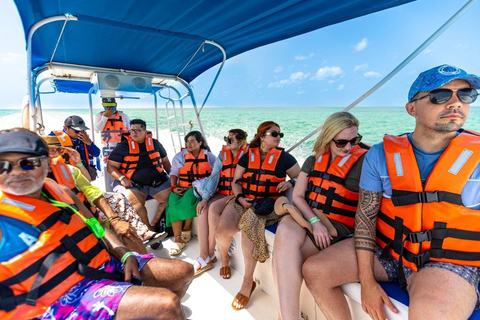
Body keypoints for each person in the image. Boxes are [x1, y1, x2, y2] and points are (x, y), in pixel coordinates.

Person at [302, 64, 480, 320]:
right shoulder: (380, 155)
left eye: (465, 95)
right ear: (412, 108)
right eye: (440, 95)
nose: (455, 103)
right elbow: (365, 220)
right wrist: (367, 281)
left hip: (448, 261)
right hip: (389, 250)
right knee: (316, 270)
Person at [0, 129, 194, 320]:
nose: (16, 172)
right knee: (165, 305)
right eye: (3, 165)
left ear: (47, 163)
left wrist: (124, 253)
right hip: (58, 302)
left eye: (28, 163)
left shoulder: (62, 193)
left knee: (183, 272)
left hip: (100, 266)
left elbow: (95, 225)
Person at [272, 112, 367, 320]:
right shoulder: (313, 160)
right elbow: (297, 196)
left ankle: (285, 317)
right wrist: (315, 222)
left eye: (354, 140)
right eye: (341, 142)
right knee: (286, 229)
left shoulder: (365, 162)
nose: (348, 147)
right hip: (311, 217)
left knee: (283, 255)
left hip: (338, 225)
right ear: (328, 138)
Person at [215, 121, 300, 310]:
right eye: (274, 134)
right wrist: (239, 198)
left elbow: (301, 177)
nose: (278, 137)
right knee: (222, 230)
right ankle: (225, 258)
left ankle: (248, 282)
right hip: (243, 199)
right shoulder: (247, 157)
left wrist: (290, 183)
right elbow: (236, 182)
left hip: (265, 205)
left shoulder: (284, 158)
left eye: (280, 134)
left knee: (248, 229)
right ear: (262, 136)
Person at [43, 135, 167, 251]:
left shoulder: (70, 169)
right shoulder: (36, 180)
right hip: (69, 213)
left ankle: (143, 234)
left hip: (85, 204)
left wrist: (79, 162)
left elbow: (88, 183)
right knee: (114, 217)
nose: (57, 154)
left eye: (59, 150)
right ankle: (131, 240)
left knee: (119, 198)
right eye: (52, 151)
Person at [193, 129, 248, 275]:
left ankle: (210, 254)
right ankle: (204, 254)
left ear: (241, 142)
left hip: (237, 194)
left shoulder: (248, 154)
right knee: (203, 208)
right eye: (226, 138)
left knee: (213, 209)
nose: (226, 142)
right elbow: (214, 176)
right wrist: (205, 198)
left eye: (230, 140)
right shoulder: (223, 154)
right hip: (223, 193)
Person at [107, 119, 171, 231]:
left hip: (156, 182)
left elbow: (165, 162)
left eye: (138, 130)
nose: (134, 133)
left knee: (174, 196)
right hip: (133, 184)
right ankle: (149, 233)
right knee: (135, 204)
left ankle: (155, 223)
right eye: (132, 130)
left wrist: (175, 179)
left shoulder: (155, 143)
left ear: (145, 131)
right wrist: (122, 178)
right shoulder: (123, 146)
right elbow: (110, 166)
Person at [166, 131, 216, 256]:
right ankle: (178, 239)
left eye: (193, 141)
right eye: (187, 141)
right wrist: (173, 187)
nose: (189, 144)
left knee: (188, 199)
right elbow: (174, 173)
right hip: (181, 186)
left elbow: (216, 174)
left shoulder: (209, 157)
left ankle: (187, 227)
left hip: (199, 188)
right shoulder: (180, 156)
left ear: (200, 143)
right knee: (172, 201)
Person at [94, 97, 131, 191]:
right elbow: (97, 129)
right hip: (107, 150)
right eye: (107, 106)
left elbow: (130, 131)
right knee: (108, 172)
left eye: (112, 106)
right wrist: (105, 117)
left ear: (116, 105)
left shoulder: (124, 116)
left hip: (122, 148)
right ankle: (110, 192)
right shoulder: (99, 116)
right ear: (103, 106)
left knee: (123, 170)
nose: (110, 108)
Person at [50, 115, 101, 181]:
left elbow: (96, 154)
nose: (80, 133)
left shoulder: (84, 138)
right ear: (65, 128)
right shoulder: (53, 138)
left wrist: (89, 143)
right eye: (77, 131)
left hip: (83, 174)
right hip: (65, 175)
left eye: (82, 130)